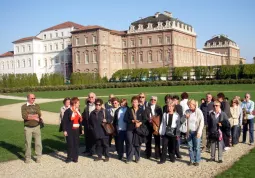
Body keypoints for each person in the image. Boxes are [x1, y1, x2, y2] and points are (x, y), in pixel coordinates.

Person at [125, 96, 147, 163]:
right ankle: (129, 158)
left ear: (138, 103)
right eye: (133, 102)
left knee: (137, 144)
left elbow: (145, 119)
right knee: (130, 143)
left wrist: (140, 123)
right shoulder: (129, 110)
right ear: (131, 103)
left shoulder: (141, 110)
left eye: (136, 102)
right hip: (130, 129)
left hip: (138, 129)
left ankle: (137, 158)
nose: (134, 103)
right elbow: (125, 119)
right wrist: (132, 121)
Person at [21, 94, 42, 163]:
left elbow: (39, 114)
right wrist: (34, 117)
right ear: (28, 98)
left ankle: (38, 157)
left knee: (38, 143)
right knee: (27, 143)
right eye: (32, 98)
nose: (33, 99)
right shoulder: (24, 106)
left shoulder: (37, 105)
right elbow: (24, 116)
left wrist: (30, 116)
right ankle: (27, 157)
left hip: (37, 126)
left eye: (34, 98)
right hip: (28, 127)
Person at [183, 99, 204, 166]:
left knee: (197, 147)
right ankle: (192, 160)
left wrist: (199, 131)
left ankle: (197, 160)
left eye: (191, 104)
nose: (189, 106)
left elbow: (201, 122)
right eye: (188, 105)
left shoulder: (198, 111)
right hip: (189, 131)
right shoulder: (187, 111)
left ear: (194, 105)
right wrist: (186, 117)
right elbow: (182, 121)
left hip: (196, 131)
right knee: (190, 147)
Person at [62, 97, 83, 163]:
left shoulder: (78, 110)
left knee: (76, 144)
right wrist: (64, 130)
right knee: (70, 144)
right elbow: (64, 121)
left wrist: (81, 129)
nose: (79, 104)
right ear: (74, 103)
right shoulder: (68, 111)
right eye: (78, 103)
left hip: (76, 129)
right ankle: (69, 157)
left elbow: (79, 121)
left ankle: (75, 157)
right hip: (69, 130)